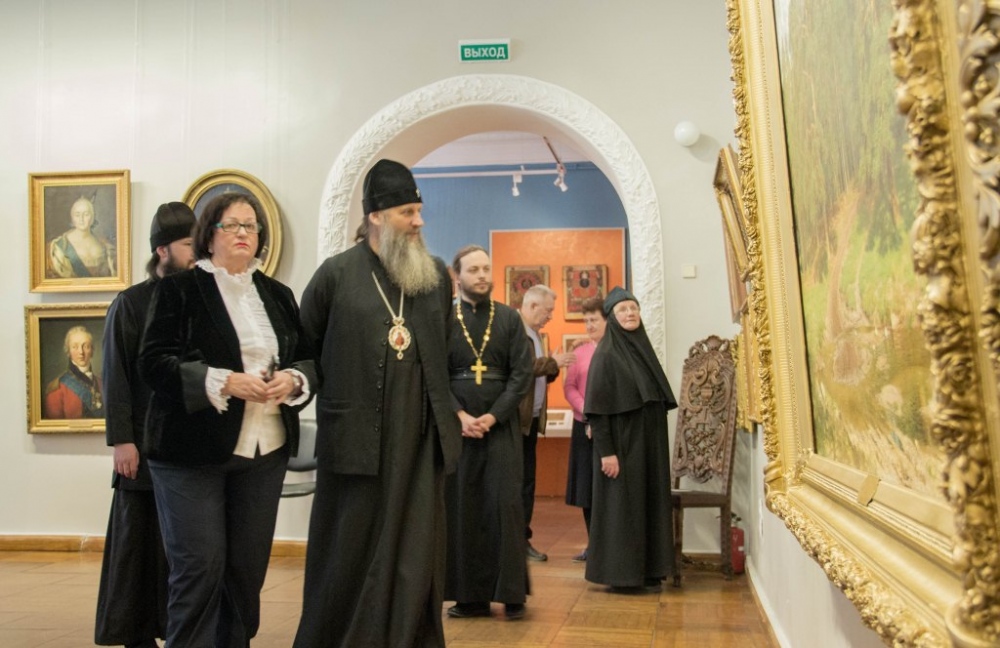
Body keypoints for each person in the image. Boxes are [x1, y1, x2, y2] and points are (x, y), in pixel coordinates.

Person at [294, 159, 462, 648]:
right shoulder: (335, 276)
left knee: (416, 549)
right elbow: (305, 350)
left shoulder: (435, 277)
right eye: (408, 212)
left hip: (420, 439)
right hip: (356, 441)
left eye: (419, 211)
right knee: (349, 550)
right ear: (376, 216)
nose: (419, 222)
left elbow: (444, 349)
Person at [138, 193, 316, 647]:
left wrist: (293, 379)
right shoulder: (178, 290)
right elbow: (153, 363)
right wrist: (224, 381)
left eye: (251, 226)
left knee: (245, 572)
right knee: (199, 568)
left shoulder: (277, 295)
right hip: (190, 452)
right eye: (232, 225)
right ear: (209, 235)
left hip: (265, 450)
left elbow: (308, 359)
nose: (243, 233)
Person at [95, 202, 196, 648]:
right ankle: (136, 635)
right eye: (189, 245)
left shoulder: (199, 299)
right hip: (141, 446)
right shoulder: (130, 303)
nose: (197, 254)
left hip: (187, 446)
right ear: (162, 251)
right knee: (139, 547)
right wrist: (122, 441)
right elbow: (115, 375)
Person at [444, 245, 533, 621]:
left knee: (505, 506)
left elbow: (522, 375)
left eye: (486, 268)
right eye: (473, 270)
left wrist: (494, 416)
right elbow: (433, 373)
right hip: (458, 429)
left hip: (501, 427)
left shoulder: (509, 318)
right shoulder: (444, 318)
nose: (482, 275)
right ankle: (471, 598)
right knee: (463, 508)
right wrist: (460, 415)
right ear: (458, 276)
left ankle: (512, 594)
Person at [583, 286, 677, 592]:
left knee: (649, 504)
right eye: (623, 309)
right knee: (624, 509)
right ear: (612, 317)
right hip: (623, 449)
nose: (630, 313)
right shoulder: (606, 355)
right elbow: (597, 412)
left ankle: (650, 570)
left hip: (649, 448)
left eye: (633, 308)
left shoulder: (643, 351)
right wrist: (606, 453)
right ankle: (622, 575)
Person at [517, 284, 575, 562]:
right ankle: (516, 542)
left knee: (527, 482)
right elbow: (521, 369)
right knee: (519, 483)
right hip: (517, 420)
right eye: (548, 310)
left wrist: (551, 367)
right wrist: (552, 362)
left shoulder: (535, 334)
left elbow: (537, 373)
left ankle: (522, 539)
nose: (551, 316)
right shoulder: (515, 331)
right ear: (532, 306)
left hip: (531, 419)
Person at [562, 296, 607, 564]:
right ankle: (593, 545)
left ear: (607, 321)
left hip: (607, 428)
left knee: (606, 489)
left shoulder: (615, 351)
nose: (589, 325)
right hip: (583, 427)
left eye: (594, 320)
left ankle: (609, 545)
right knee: (587, 490)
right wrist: (586, 410)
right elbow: (569, 387)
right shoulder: (579, 352)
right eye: (586, 320)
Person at [48, 195, 116, 278]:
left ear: (92, 217)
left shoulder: (105, 246)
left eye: (86, 214)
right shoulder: (60, 246)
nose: (81, 219)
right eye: (77, 215)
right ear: (72, 218)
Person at [43, 325, 103, 419]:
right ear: (68, 351)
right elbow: (54, 426)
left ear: (92, 351)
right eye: (75, 347)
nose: (81, 352)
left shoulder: (102, 384)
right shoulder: (57, 389)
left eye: (86, 346)